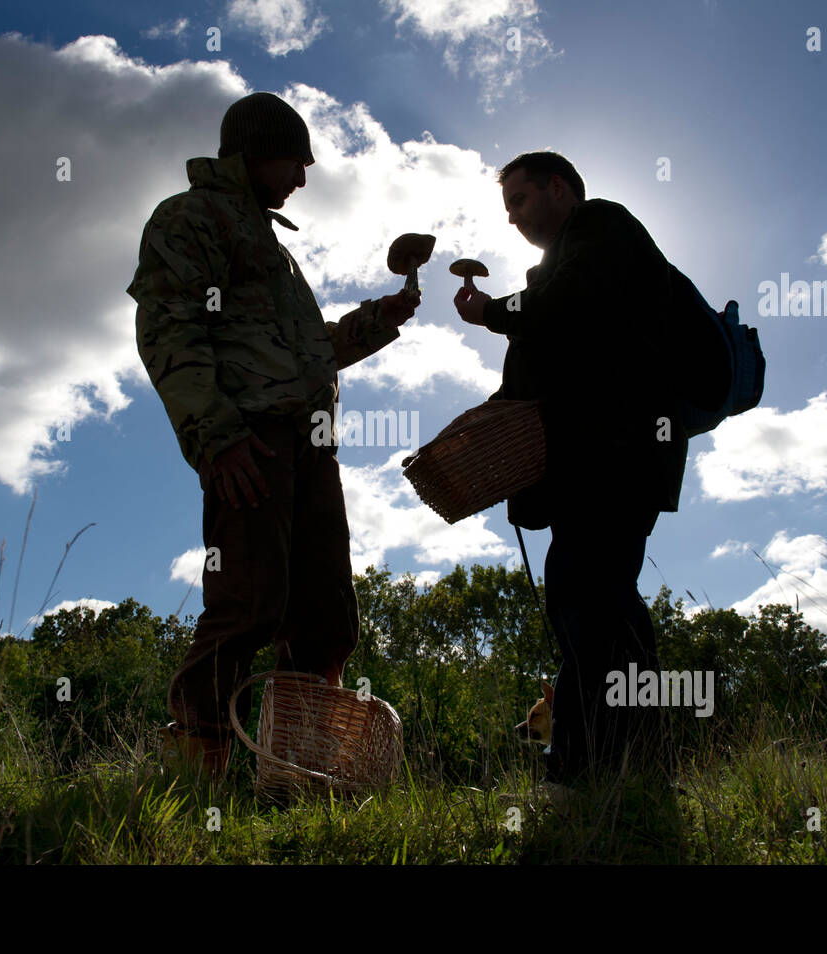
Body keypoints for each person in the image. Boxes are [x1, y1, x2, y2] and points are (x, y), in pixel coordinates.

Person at [126, 92, 419, 780]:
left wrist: (382, 316)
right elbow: (169, 328)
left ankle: (299, 774)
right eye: (295, 160)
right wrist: (217, 437)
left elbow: (306, 351)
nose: (303, 178)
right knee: (251, 603)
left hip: (311, 444)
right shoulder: (189, 218)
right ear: (254, 150)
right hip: (249, 441)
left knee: (326, 616)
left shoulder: (272, 248)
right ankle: (194, 768)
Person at [453, 151, 686, 790]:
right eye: (507, 211)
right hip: (599, 464)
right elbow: (551, 349)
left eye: (520, 202)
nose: (514, 219)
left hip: (618, 457)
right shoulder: (565, 261)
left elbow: (563, 310)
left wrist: (489, 314)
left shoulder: (602, 228)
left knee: (589, 605)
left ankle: (579, 777)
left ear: (559, 188)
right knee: (607, 610)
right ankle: (639, 772)